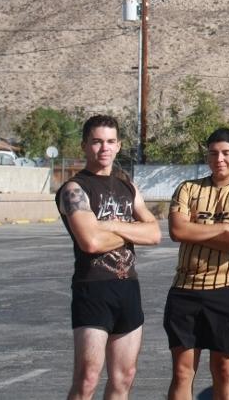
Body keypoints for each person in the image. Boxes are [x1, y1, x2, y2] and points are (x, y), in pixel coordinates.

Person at [56, 114, 161, 400]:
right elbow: (90, 242)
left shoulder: (128, 187)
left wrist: (110, 225)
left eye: (110, 141)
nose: (104, 148)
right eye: (97, 141)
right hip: (93, 289)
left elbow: (154, 233)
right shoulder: (74, 189)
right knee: (87, 379)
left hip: (128, 288)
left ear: (119, 145)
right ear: (84, 145)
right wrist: (132, 230)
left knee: (124, 378)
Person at [164, 127, 229, 400]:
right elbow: (178, 230)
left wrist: (196, 230)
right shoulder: (188, 188)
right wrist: (223, 228)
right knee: (182, 372)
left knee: (223, 371)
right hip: (185, 289)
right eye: (213, 153)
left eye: (226, 153)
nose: (219, 159)